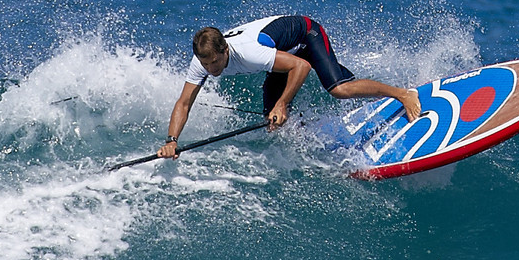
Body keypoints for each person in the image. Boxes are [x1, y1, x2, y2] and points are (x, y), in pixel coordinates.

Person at [156, 15, 421, 159]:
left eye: (216, 62)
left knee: (338, 89)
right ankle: (322, 148)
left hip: (306, 35)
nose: (212, 70)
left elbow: (301, 67)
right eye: (207, 65)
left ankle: (403, 94)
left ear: (225, 49)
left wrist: (282, 103)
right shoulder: (201, 61)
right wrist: (171, 141)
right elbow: (184, 103)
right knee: (275, 124)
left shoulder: (248, 53)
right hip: (282, 55)